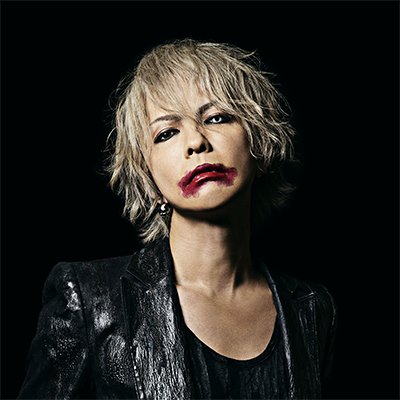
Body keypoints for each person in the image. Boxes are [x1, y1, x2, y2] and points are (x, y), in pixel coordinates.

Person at [18, 38, 337, 399]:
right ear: (148, 177)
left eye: (217, 117)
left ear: (259, 142)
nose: (196, 142)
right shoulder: (90, 301)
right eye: (167, 133)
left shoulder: (314, 308)